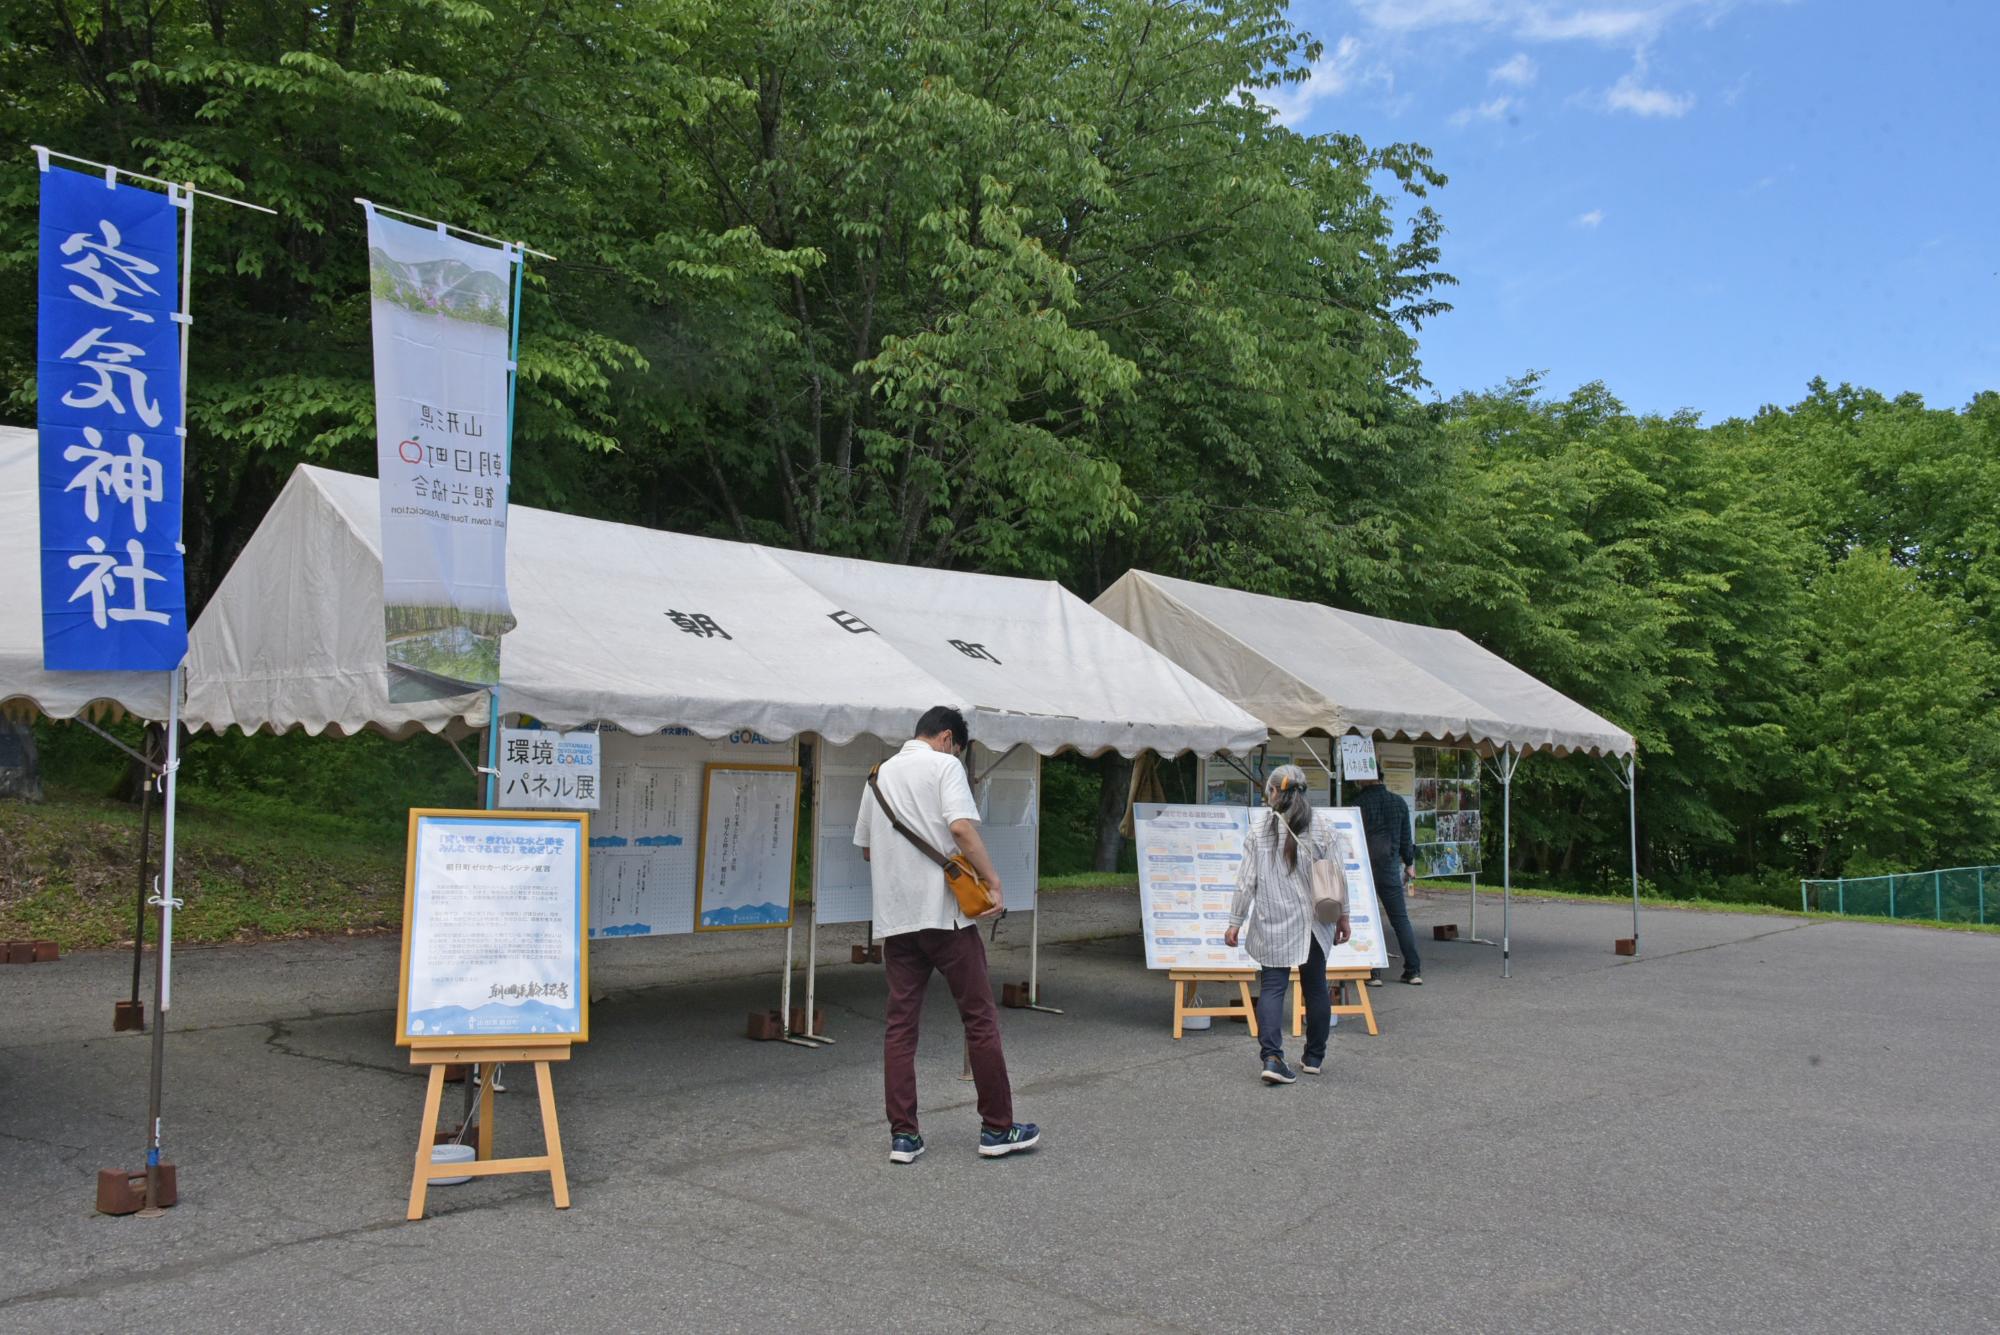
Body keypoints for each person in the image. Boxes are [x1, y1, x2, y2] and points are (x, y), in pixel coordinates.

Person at [853, 705, 1041, 1163]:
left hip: (896, 922)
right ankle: (998, 1128)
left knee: (900, 1027)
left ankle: (904, 1136)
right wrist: (992, 880)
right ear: (947, 739)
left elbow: (867, 852)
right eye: (956, 746)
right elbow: (960, 828)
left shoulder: (876, 777)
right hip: (945, 917)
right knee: (979, 1019)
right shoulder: (944, 766)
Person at [1224, 765, 1353, 1085]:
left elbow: (1246, 882)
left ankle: (1272, 1057)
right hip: (1313, 921)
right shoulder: (1323, 827)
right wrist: (1344, 915)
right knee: (1316, 986)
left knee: (1273, 986)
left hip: (1273, 920)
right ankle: (1314, 1057)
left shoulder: (1259, 831)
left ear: (1274, 793)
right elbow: (1337, 877)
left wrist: (1234, 921)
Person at [1353, 772, 1422, 985]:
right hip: (1390, 868)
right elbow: (1405, 838)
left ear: (1362, 779)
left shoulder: (1358, 803)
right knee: (1400, 920)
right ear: (1382, 777)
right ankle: (1413, 971)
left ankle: (1373, 973)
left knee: (1369, 919)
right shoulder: (1398, 802)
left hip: (1364, 869)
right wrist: (1409, 863)